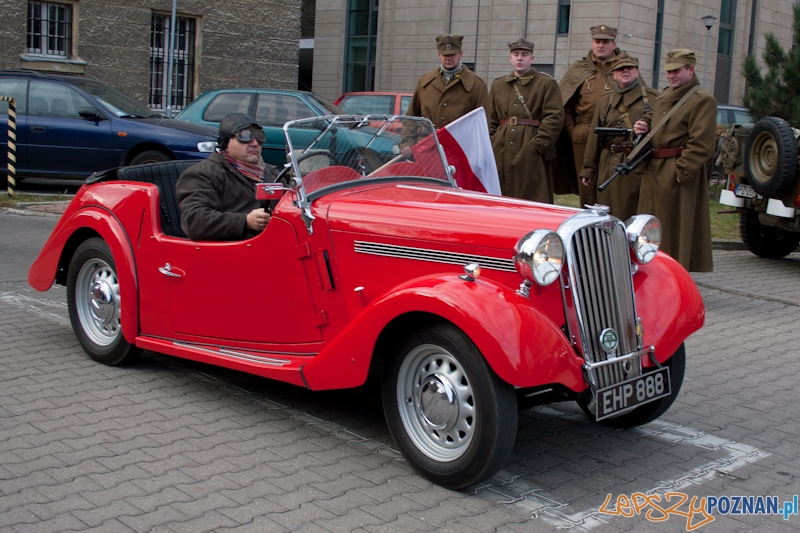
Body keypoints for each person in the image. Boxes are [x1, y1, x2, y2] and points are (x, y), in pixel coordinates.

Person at [633, 49, 716, 272]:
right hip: (654, 170)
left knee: (675, 229)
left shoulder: (702, 100)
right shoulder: (666, 94)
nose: (671, 75)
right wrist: (643, 124)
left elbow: (702, 143)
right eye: (668, 71)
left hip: (675, 170)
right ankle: (652, 270)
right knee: (651, 227)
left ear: (691, 69)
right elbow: (654, 117)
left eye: (676, 71)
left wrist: (680, 172)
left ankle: (675, 275)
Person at [580, 52, 659, 221]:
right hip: (607, 164)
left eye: (629, 68)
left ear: (637, 72)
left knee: (632, 214)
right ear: (614, 75)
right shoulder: (605, 100)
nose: (625, 71)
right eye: (620, 69)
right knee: (606, 215)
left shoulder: (652, 99)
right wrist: (588, 168)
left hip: (636, 164)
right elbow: (595, 138)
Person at [177, 113, 279, 241]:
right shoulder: (202, 174)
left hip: (276, 244)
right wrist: (245, 221)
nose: (255, 143)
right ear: (226, 143)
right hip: (236, 251)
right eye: (245, 136)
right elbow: (194, 221)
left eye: (259, 136)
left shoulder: (271, 173)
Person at [488, 38, 564, 203]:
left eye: (524, 54)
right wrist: (493, 142)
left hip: (531, 148)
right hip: (501, 147)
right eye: (515, 54)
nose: (520, 58)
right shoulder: (498, 85)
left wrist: (537, 145)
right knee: (501, 195)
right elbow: (491, 119)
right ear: (510, 58)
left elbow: (555, 117)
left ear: (532, 58)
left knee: (532, 194)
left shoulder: (546, 83)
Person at [559, 24, 623, 206]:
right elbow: (563, 103)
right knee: (586, 182)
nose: (600, 45)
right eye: (597, 41)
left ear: (614, 43)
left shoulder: (624, 68)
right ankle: (588, 226)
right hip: (584, 133)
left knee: (612, 181)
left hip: (614, 136)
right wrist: (573, 130)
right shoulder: (580, 68)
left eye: (605, 41)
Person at [406, 34, 490, 129]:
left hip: (459, 143)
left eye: (452, 54)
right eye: (444, 54)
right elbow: (411, 119)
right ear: (439, 55)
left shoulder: (477, 85)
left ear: (461, 54)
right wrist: (407, 143)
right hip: (428, 142)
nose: (448, 58)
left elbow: (483, 125)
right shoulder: (424, 82)